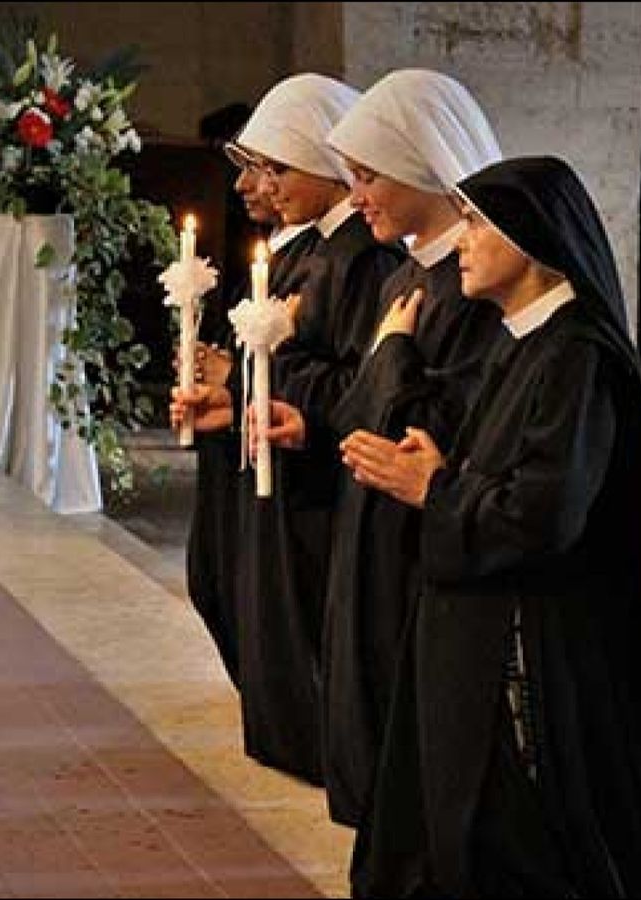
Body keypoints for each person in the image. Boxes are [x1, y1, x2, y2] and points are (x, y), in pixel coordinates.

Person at [340, 156, 641, 899]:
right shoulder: (526, 339)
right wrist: (443, 467)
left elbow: (545, 514)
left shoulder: (578, 356)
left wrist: (436, 489)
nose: (462, 241)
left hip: (550, 644)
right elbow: (504, 471)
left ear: (530, 240)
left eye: (476, 223)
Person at [264, 68, 504, 827]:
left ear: (424, 168)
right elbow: (365, 404)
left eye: (368, 177)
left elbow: (451, 420)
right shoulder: (408, 272)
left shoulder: (475, 283)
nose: (356, 193)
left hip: (417, 535)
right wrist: (318, 420)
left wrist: (394, 352)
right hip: (369, 520)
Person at [183, 72, 403, 785]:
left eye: (277, 168)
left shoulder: (365, 260)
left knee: (305, 623)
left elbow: (364, 382)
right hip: (279, 464)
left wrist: (251, 379)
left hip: (319, 481)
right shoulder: (307, 252)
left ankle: (320, 747)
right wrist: (229, 391)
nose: (264, 186)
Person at [175, 123, 319, 690]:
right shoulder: (279, 254)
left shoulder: (346, 262)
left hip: (291, 471)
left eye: (268, 168)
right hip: (238, 453)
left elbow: (332, 373)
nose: (248, 185)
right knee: (217, 585)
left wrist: (235, 380)